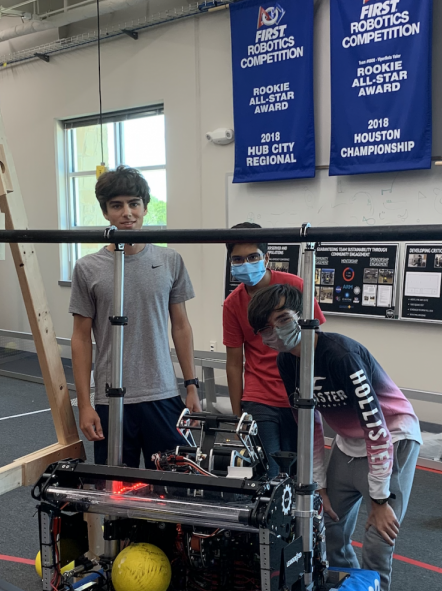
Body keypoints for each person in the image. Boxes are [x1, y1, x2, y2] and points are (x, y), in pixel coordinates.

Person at [247, 283, 421, 591]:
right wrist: (319, 483)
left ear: (305, 316)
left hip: (391, 439)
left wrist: (380, 501)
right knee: (329, 532)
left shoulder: (339, 354)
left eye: (283, 320)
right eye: (266, 329)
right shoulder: (287, 364)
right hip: (347, 444)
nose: (276, 332)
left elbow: (377, 425)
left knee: (379, 546)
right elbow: (311, 425)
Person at [69, 165, 201, 468]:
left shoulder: (169, 260)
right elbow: (80, 338)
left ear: (144, 207)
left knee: (174, 487)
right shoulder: (88, 268)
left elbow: (181, 326)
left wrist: (192, 387)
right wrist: (85, 404)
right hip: (111, 398)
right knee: (116, 491)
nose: (127, 212)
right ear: (105, 212)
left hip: (163, 394)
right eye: (117, 205)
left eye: (134, 204)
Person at [222, 223, 326, 476]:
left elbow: (318, 342)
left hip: (298, 394)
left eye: (253, 257)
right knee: (266, 473)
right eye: (237, 259)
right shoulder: (232, 304)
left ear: (266, 257)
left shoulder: (296, 287)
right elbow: (234, 362)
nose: (245, 263)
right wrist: (238, 418)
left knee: (300, 472)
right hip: (259, 398)